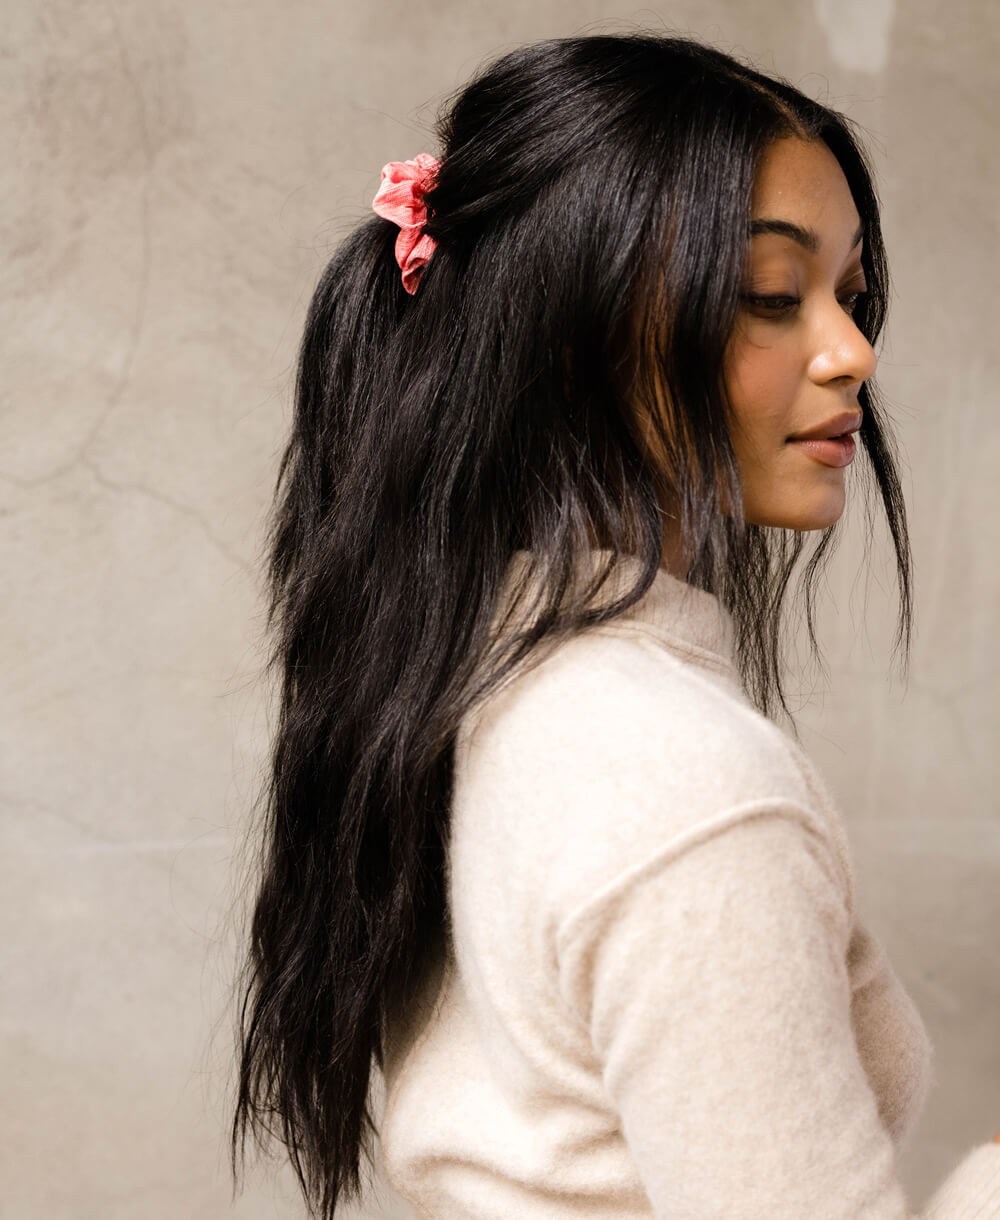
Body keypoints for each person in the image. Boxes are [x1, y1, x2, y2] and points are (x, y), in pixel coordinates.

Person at [229, 31, 1000, 1220]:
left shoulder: (481, 691)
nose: (853, 353)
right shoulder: (680, 783)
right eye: (769, 296)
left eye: (849, 295)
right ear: (574, 331)